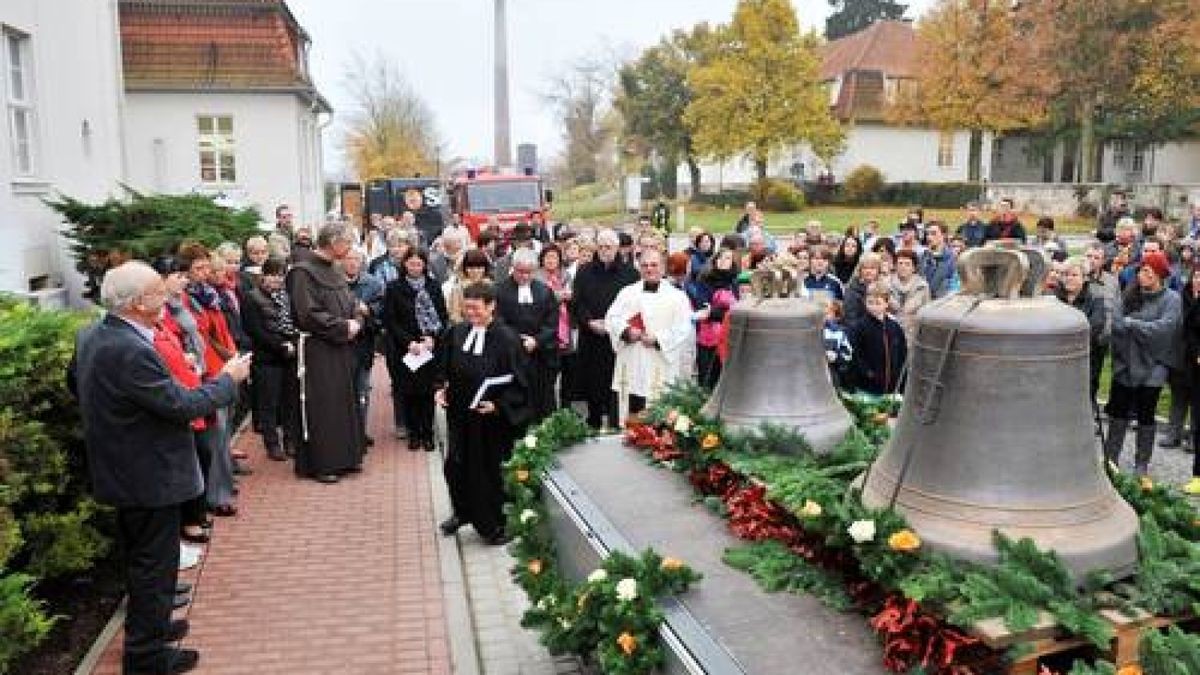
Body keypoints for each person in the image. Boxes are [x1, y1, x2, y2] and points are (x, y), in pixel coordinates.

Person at [71, 261, 251, 675]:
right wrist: (228, 379)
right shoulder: (130, 349)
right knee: (155, 564)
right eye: (157, 292)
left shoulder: (95, 334)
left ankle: (148, 629)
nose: (166, 297)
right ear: (136, 304)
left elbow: (76, 385)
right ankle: (146, 657)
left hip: (127, 466)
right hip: (146, 473)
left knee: (144, 560)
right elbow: (181, 405)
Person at [436, 282, 531, 544]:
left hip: (490, 421)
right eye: (467, 308)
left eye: (476, 308)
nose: (470, 314)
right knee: (455, 467)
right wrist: (441, 388)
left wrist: (499, 405)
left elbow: (522, 383)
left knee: (486, 473)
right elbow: (444, 367)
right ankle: (462, 511)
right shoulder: (456, 332)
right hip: (459, 415)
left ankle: (493, 524)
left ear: (491, 307)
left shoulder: (508, 339)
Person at [287, 223, 367, 483]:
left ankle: (346, 457)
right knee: (322, 405)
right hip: (317, 349)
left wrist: (356, 315)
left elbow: (348, 300)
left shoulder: (334, 268)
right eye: (347, 242)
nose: (350, 248)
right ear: (333, 242)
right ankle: (322, 463)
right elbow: (307, 314)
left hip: (341, 346)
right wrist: (343, 326)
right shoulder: (302, 272)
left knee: (343, 402)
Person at [1102, 251, 1181, 484]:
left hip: (1154, 366)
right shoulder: (1129, 294)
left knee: (1146, 415)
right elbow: (1116, 324)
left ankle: (1141, 463)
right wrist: (1136, 330)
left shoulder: (1172, 300)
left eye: (1147, 271)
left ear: (1159, 275)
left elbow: (1164, 330)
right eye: (1140, 270)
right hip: (1125, 363)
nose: (1141, 274)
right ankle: (1110, 458)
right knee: (1118, 412)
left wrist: (1133, 324)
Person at [605, 249, 695, 422]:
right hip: (631, 360)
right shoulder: (627, 293)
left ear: (663, 268)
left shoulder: (677, 297)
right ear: (639, 267)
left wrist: (658, 339)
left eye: (654, 265)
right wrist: (626, 331)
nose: (649, 269)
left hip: (659, 360)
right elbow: (612, 318)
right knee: (627, 410)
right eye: (645, 265)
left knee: (657, 416)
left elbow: (684, 328)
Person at [570, 229, 639, 430]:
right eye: (600, 247)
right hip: (591, 336)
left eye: (608, 247)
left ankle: (617, 421)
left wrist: (616, 326)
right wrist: (589, 321)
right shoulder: (584, 271)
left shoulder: (630, 274)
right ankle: (593, 421)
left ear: (617, 248)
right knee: (592, 382)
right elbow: (577, 302)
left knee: (616, 382)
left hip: (617, 340)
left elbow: (634, 307)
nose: (604, 250)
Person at [383, 248, 448, 452]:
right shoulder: (394, 287)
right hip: (406, 348)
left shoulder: (433, 286)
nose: (415, 268)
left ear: (424, 266)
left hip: (428, 346)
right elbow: (390, 320)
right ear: (405, 265)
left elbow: (442, 315)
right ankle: (414, 433)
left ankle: (427, 433)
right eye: (411, 264)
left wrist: (432, 338)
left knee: (427, 393)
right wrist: (409, 342)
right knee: (409, 392)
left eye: (419, 264)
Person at [240, 257, 297, 461]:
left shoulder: (287, 297)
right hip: (266, 358)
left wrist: (292, 342)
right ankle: (272, 443)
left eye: (280, 274)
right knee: (269, 403)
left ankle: (290, 440)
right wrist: (280, 345)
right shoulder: (251, 298)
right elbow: (254, 330)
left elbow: (294, 323)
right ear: (263, 276)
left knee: (290, 401)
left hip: (289, 357)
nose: (276, 279)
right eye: (272, 274)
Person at [495, 248, 560, 418]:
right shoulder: (499, 291)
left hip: (540, 357)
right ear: (513, 268)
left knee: (542, 402)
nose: (525, 277)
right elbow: (498, 321)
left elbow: (552, 323)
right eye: (521, 272)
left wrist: (536, 341)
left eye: (529, 272)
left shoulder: (544, 291)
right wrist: (517, 341)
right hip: (512, 357)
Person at [344, 248, 385, 445]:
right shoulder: (333, 282)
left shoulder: (373, 284)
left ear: (362, 262)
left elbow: (381, 315)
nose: (352, 263)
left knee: (362, 389)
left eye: (356, 259)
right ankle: (344, 432)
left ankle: (360, 431)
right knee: (342, 390)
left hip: (363, 345)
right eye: (348, 258)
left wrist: (367, 311)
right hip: (340, 345)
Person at [1056, 259, 1108, 403]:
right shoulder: (1054, 299)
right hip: (1057, 360)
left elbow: (1094, 327)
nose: (1069, 278)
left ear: (1084, 278)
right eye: (1066, 274)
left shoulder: (1096, 300)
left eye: (1074, 275)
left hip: (1085, 360)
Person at [688, 248, 739, 389]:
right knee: (707, 378)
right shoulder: (704, 280)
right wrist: (721, 313)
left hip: (728, 335)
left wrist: (715, 312)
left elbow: (737, 310)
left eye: (728, 258)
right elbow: (702, 308)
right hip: (708, 338)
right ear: (715, 261)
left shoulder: (733, 282)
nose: (724, 261)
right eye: (720, 258)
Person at [848, 282, 907, 396]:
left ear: (886, 304)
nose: (874, 307)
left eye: (878, 303)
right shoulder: (859, 327)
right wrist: (867, 372)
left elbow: (902, 354)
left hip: (892, 385)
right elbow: (856, 354)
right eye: (870, 303)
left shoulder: (894, 327)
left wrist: (901, 378)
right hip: (868, 386)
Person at [537, 245, 577, 408]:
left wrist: (569, 297)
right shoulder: (537, 277)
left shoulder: (566, 275)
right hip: (547, 329)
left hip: (566, 328)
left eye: (554, 257)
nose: (551, 260)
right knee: (549, 373)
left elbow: (573, 295)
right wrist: (557, 297)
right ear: (542, 259)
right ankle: (549, 408)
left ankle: (566, 407)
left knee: (569, 370)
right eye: (548, 257)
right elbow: (540, 300)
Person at [1180, 267, 1200, 493]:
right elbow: (1189, 331)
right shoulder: (1191, 301)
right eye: (1196, 276)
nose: (1198, 280)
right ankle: (1198, 476)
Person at [888, 250, 931, 341]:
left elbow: (926, 312)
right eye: (900, 263)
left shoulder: (922, 286)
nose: (903, 267)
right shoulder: (886, 284)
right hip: (890, 333)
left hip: (914, 335)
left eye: (907, 264)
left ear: (914, 268)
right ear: (895, 266)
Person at [445, 249, 493, 324]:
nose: (475, 271)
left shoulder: (491, 286)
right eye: (471, 268)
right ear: (465, 268)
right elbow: (454, 315)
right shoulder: (458, 289)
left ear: (485, 268)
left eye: (479, 268)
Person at [844, 252, 883, 325]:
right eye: (865, 268)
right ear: (860, 270)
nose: (868, 271)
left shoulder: (884, 287)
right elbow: (851, 318)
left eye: (872, 268)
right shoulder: (852, 289)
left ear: (879, 270)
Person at [920, 221, 957, 299]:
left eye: (933, 233)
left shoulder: (953, 258)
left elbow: (953, 286)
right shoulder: (923, 257)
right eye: (927, 234)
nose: (929, 237)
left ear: (944, 235)